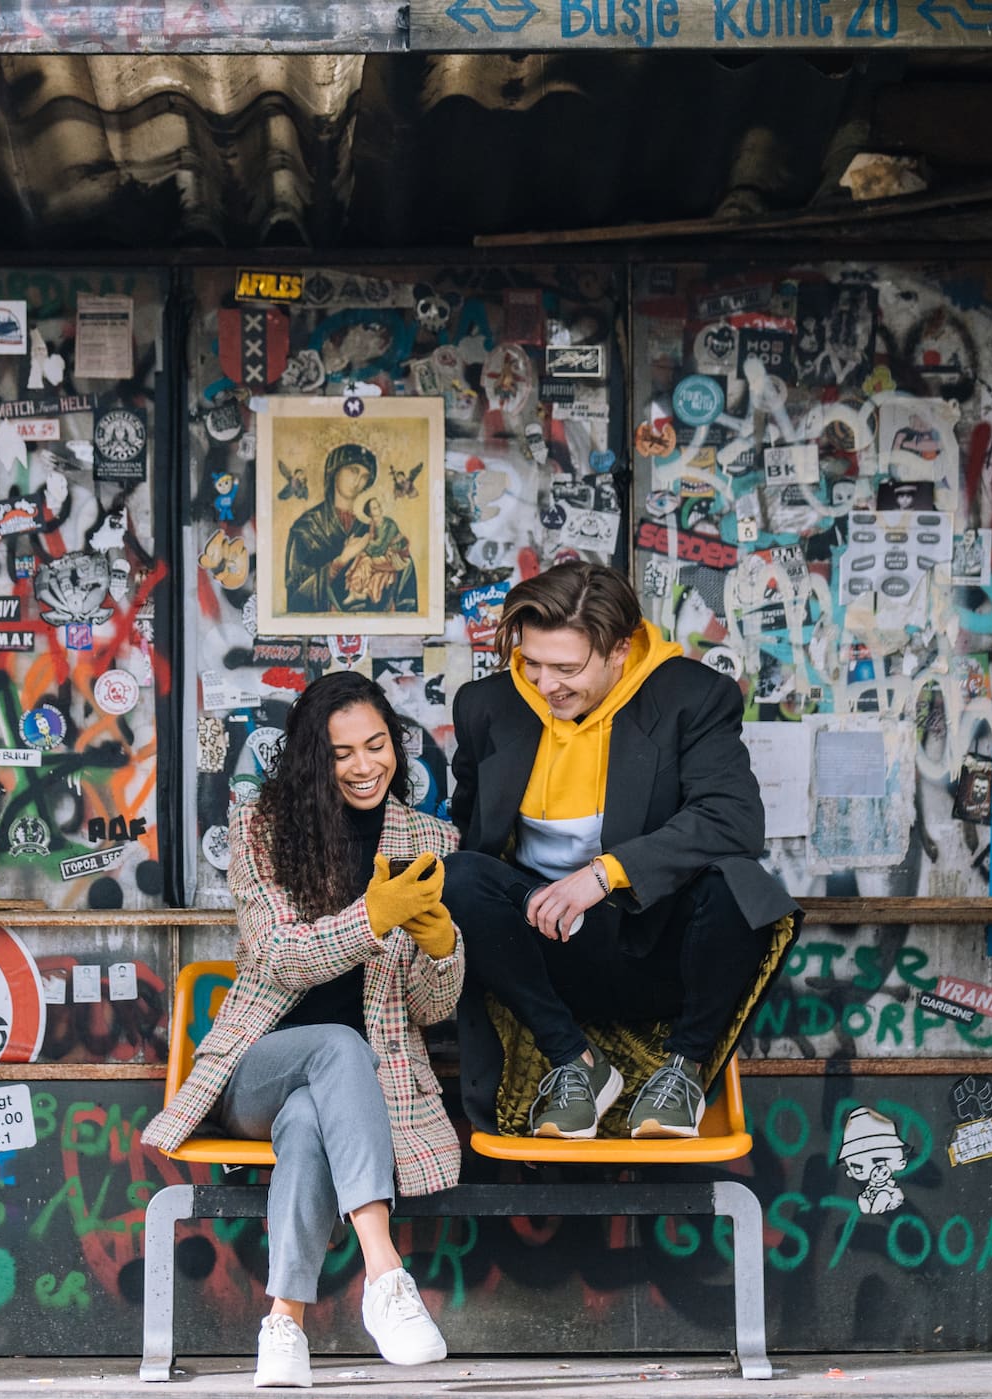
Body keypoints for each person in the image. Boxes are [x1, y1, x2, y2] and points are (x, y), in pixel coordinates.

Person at [142, 672, 463, 1387]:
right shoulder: (262, 829)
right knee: (332, 1048)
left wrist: (443, 944)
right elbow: (282, 957)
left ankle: (283, 1325)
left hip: (366, 1089)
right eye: (341, 753)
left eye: (376, 746)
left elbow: (434, 1006)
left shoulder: (431, 839)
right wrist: (372, 916)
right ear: (313, 761)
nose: (363, 765)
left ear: (396, 746)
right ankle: (385, 1271)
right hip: (259, 1064)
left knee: (309, 1121)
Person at [443, 561, 797, 1140]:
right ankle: (574, 1063)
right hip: (544, 951)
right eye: (531, 661)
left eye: (566, 667)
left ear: (619, 650)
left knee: (740, 884)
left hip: (654, 944)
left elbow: (733, 819)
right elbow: (471, 824)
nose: (543, 682)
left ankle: (682, 1071)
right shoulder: (487, 705)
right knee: (460, 877)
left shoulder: (692, 696)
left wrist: (604, 876)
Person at [282, 443, 418, 616]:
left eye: (364, 477)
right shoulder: (307, 527)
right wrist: (340, 562)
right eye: (353, 471)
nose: (357, 482)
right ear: (334, 470)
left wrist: (399, 561)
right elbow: (295, 598)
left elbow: (400, 563)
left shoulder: (368, 527)